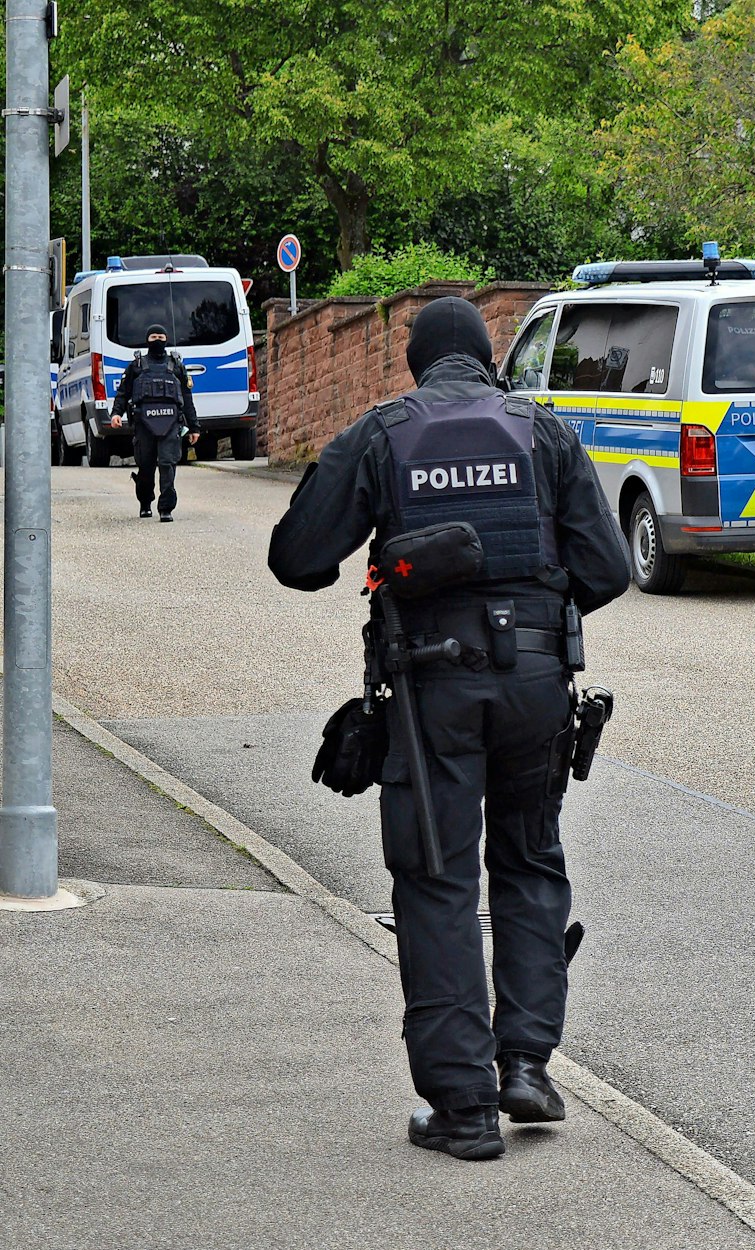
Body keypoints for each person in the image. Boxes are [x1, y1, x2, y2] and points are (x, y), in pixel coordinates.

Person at [267, 297, 630, 1161]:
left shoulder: (383, 433)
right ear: (490, 358)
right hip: (539, 683)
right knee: (531, 859)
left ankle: (463, 1109)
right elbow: (608, 570)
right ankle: (528, 1067)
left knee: (436, 882)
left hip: (432, 685)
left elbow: (297, 559)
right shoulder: (544, 434)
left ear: (417, 364)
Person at [110, 324, 199, 521]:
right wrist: (116, 414)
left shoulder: (176, 365)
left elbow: (186, 397)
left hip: (171, 423)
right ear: (147, 340)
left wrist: (194, 427)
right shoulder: (136, 366)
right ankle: (145, 503)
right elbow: (123, 394)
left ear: (166, 339)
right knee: (146, 465)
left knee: (168, 464)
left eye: (160, 336)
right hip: (144, 424)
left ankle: (166, 508)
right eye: (153, 337)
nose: (157, 340)